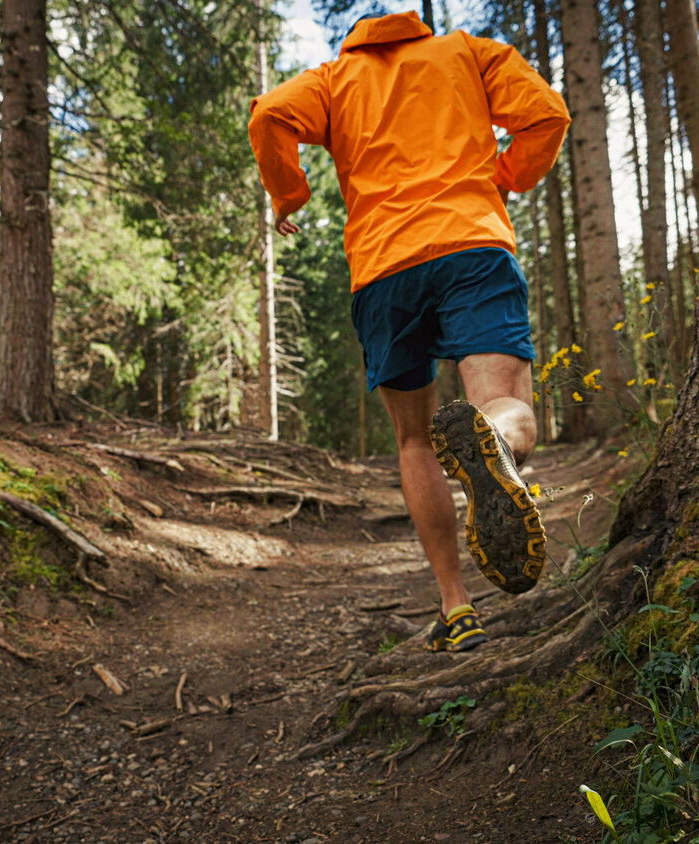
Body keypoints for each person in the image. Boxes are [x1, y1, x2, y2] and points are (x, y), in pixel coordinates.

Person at [248, 10, 570, 652]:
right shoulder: (468, 53)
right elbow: (547, 114)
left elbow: (268, 117)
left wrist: (289, 195)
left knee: (415, 440)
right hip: (471, 245)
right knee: (508, 410)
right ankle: (496, 441)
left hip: (383, 269)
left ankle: (456, 607)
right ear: (414, 28)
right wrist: (505, 179)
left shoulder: (335, 78)